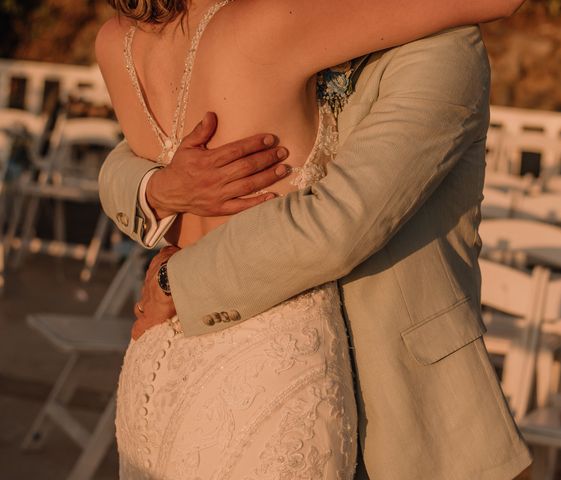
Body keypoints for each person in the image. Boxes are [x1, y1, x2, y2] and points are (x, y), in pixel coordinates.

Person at [96, 0, 531, 478]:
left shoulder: (441, 46)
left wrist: (175, 281)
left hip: (404, 411)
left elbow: (339, 225)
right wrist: (155, 188)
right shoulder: (260, 22)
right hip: (264, 371)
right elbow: (144, 148)